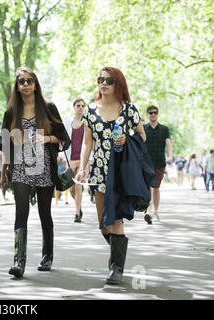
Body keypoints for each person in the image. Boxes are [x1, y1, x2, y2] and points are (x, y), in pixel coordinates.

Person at [76, 67, 146, 285]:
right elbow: (88, 143)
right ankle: (118, 250)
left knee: (115, 219)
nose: (103, 83)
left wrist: (128, 139)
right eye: (100, 79)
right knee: (103, 222)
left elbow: (142, 135)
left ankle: (116, 268)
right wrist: (83, 166)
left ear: (118, 84)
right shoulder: (90, 111)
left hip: (120, 172)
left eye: (108, 80)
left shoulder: (129, 110)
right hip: (98, 171)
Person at [0, 67, 70, 278]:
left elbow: (64, 138)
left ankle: (47, 256)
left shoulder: (48, 108)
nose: (26, 84)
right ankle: (18, 261)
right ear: (17, 87)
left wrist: (47, 138)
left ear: (35, 84)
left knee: (44, 213)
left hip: (44, 168)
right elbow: (4, 145)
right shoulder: (11, 113)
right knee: (20, 213)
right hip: (20, 167)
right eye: (22, 81)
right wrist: (3, 172)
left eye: (30, 81)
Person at [143, 105, 173, 223]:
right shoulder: (143, 128)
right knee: (149, 187)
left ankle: (154, 210)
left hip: (160, 162)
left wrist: (170, 156)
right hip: (145, 163)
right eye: (150, 113)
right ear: (147, 114)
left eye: (155, 112)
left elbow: (169, 143)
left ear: (158, 114)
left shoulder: (164, 129)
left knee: (156, 188)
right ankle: (149, 212)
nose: (153, 114)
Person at [64, 98, 88, 222]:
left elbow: (90, 143)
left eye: (82, 106)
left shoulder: (87, 123)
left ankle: (77, 213)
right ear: (74, 107)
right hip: (70, 159)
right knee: (71, 188)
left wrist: (88, 162)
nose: (80, 108)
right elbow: (63, 139)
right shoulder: (68, 122)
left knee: (78, 185)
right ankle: (78, 206)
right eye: (78, 105)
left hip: (82, 159)